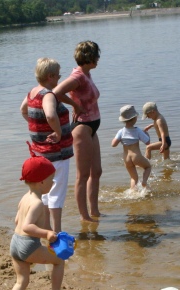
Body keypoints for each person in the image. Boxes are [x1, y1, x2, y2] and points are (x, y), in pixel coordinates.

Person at [8, 156, 76, 290]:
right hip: (27, 245)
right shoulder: (37, 203)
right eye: (51, 180)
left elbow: (18, 221)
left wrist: (51, 234)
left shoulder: (25, 197)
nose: (53, 183)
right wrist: (46, 234)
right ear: (41, 183)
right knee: (59, 261)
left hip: (15, 243)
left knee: (21, 281)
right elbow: (27, 226)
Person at [20, 57, 76, 232]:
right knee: (56, 194)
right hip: (56, 153)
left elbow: (23, 110)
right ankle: (57, 231)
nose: (60, 77)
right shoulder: (48, 95)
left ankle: (46, 227)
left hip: (39, 152)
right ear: (50, 76)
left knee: (43, 192)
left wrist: (37, 128)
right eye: (58, 75)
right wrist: (58, 133)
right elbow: (51, 115)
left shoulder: (32, 92)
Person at [53, 41, 102, 222]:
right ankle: (84, 216)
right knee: (83, 175)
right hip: (82, 127)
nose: (98, 58)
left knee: (96, 171)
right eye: (97, 55)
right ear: (89, 57)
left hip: (93, 126)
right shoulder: (78, 76)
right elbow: (57, 92)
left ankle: (95, 211)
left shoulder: (87, 74)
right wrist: (74, 105)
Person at [111, 105, 152, 190]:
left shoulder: (121, 132)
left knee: (133, 178)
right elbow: (148, 142)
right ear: (135, 118)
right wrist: (146, 134)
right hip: (136, 156)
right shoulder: (137, 130)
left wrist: (118, 139)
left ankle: (133, 193)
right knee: (148, 167)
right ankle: (144, 182)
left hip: (126, 158)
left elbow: (113, 144)